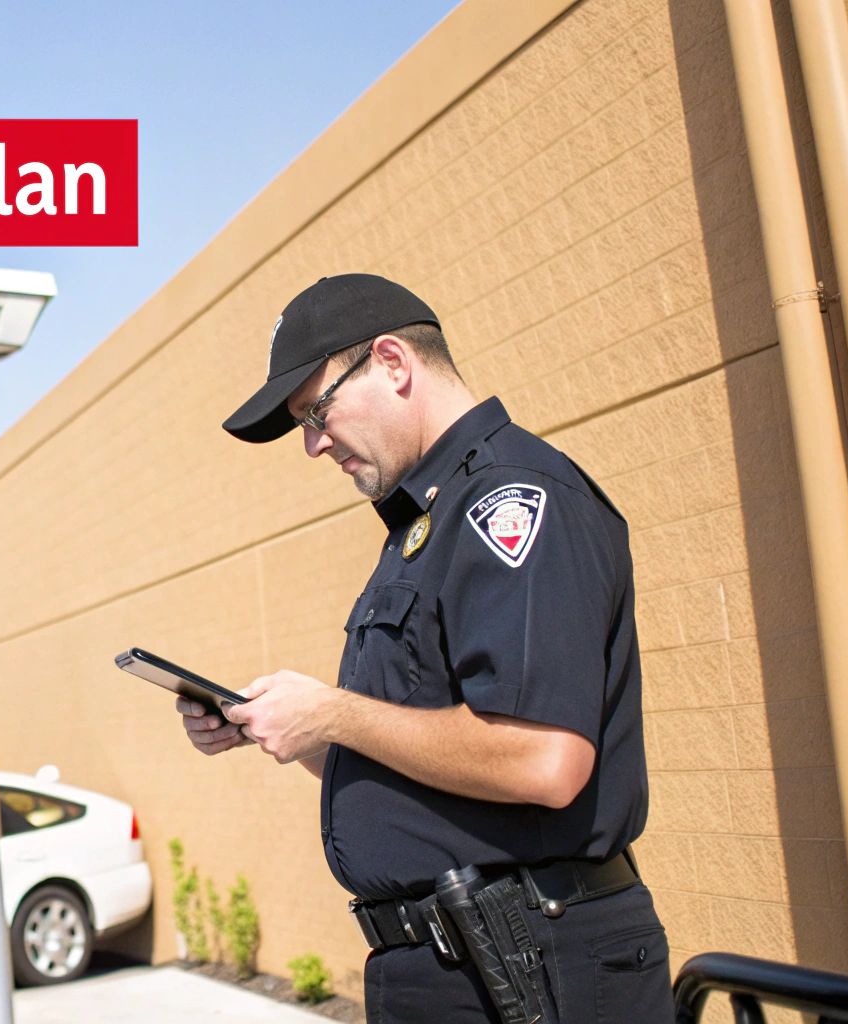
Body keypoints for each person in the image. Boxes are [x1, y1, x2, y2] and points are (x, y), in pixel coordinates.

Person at [186, 274, 671, 1023]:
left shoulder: (511, 500)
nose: (314, 445)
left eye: (316, 412)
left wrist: (338, 716)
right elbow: (429, 757)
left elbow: (545, 762)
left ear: (392, 362)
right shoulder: (424, 524)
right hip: (461, 965)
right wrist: (288, 727)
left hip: (535, 964)